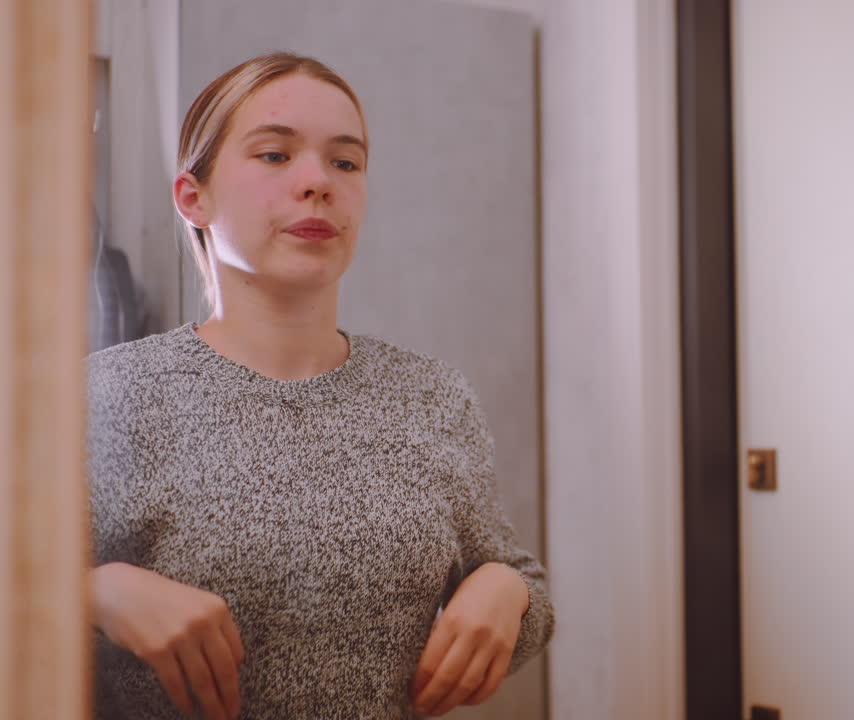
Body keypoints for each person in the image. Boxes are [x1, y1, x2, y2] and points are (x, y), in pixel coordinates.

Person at [85, 52, 553, 720]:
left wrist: (509, 589)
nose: (318, 183)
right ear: (195, 196)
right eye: (275, 155)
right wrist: (93, 590)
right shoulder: (106, 395)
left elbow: (516, 577)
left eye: (345, 162)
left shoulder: (433, 397)